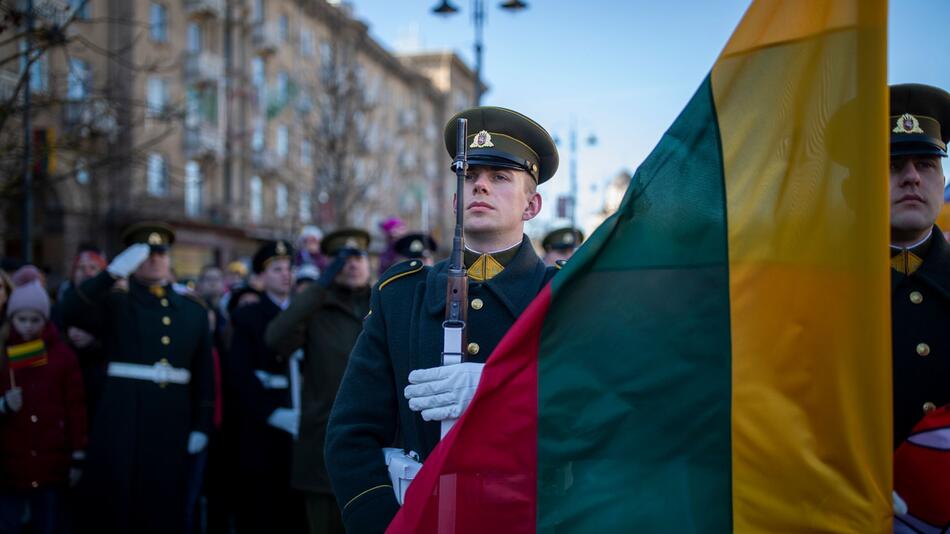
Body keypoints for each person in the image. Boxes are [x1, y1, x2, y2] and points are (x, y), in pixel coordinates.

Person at [325, 106, 561, 532]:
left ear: (532, 205)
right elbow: (351, 433)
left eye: (500, 177)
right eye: (469, 177)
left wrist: (507, 393)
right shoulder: (402, 297)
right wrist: (385, 522)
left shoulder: (562, 298)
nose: (481, 186)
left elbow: (597, 412)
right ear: (456, 201)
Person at [61, 221, 214, 534]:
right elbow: (67, 311)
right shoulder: (116, 301)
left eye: (160, 252)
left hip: (172, 418)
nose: (155, 259)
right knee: (117, 503)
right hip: (122, 415)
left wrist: (202, 424)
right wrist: (111, 273)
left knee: (164, 505)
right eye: (145, 254)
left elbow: (204, 374)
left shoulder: (193, 309)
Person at [265, 229, 373, 534]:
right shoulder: (316, 309)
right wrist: (318, 286)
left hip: (377, 444)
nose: (351, 265)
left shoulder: (382, 304)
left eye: (358, 258)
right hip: (323, 441)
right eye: (342, 260)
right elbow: (276, 338)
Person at [886, 84, 950, 529]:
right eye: (892, 164)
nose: (911, 176)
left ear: (941, 182)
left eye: (925, 164)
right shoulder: (823, 294)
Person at [227, 240, 306, 533]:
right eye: (276, 269)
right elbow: (240, 374)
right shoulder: (249, 316)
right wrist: (272, 412)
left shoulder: (306, 313)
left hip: (302, 426)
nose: (285, 274)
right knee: (262, 509)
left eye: (289, 268)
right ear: (261, 277)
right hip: (263, 427)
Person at [0, 280, 86, 534]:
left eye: (34, 320)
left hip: (51, 462)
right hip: (9, 464)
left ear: (45, 320)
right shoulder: (3, 353)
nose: (27, 326)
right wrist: (4, 404)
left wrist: (78, 454)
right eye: (22, 319)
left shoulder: (62, 356)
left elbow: (75, 407)